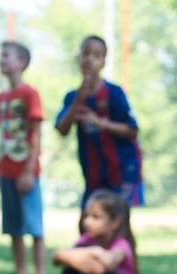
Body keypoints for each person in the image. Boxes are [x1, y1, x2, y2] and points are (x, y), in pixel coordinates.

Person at [56, 36, 143, 210]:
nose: (89, 59)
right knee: (87, 223)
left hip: (121, 170)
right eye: (86, 53)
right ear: (78, 59)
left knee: (117, 224)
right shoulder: (72, 97)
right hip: (94, 175)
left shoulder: (114, 93)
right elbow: (62, 129)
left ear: (103, 62)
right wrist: (79, 99)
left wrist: (100, 123)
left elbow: (133, 130)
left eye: (96, 55)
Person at [0, 41, 48, 274]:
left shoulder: (29, 94)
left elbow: (35, 136)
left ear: (21, 62)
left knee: (34, 228)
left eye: (6, 55)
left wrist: (28, 171)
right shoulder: (1, 98)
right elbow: (4, 138)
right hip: (6, 173)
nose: (1, 60)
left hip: (27, 174)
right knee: (13, 228)